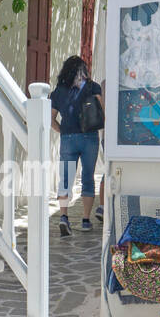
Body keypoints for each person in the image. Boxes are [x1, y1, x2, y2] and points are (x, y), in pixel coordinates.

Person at [50, 55, 103, 236]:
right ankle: (86, 220)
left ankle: (64, 217)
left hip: (68, 138)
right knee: (88, 178)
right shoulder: (93, 87)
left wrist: (62, 130)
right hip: (89, 137)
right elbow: (103, 111)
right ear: (84, 71)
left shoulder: (58, 91)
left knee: (65, 179)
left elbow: (51, 119)